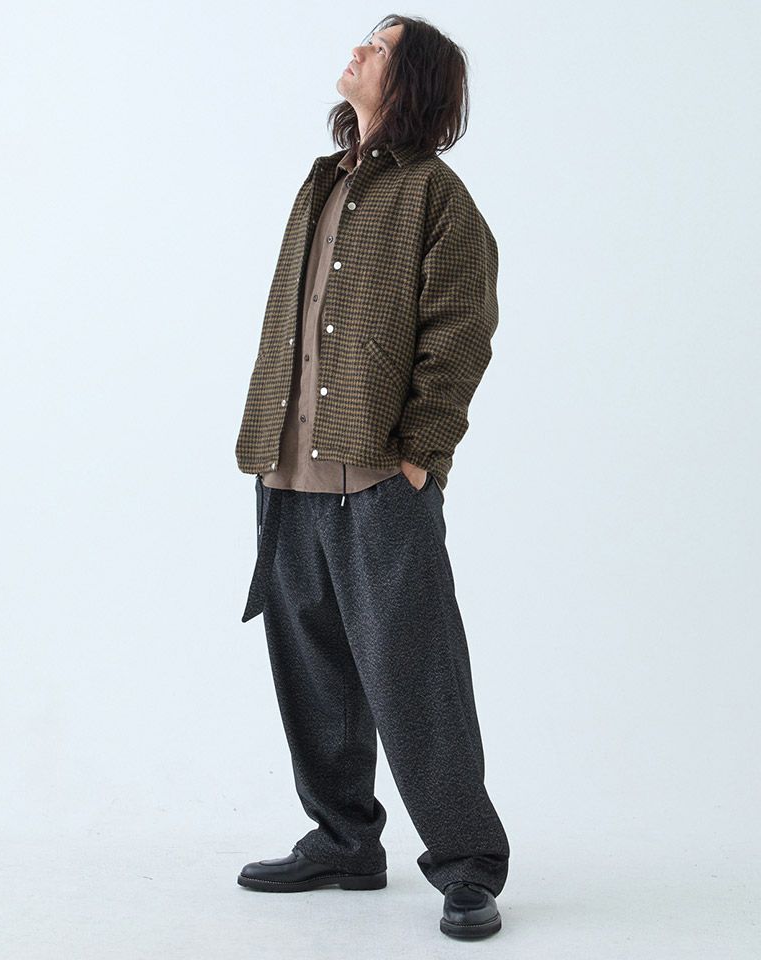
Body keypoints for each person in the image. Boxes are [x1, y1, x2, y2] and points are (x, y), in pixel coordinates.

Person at [234, 14, 510, 940]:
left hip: (383, 482)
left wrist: (422, 454)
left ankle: (468, 866)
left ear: (412, 79)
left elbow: (461, 332)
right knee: (312, 672)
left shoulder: (437, 195)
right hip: (287, 473)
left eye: (381, 47)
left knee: (416, 678)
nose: (359, 49)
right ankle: (345, 841)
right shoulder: (322, 182)